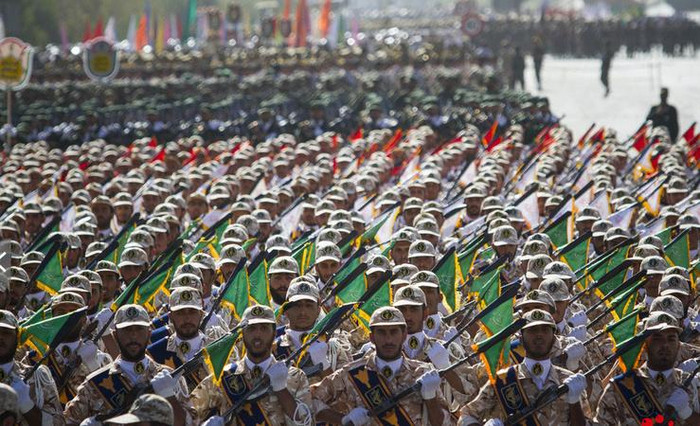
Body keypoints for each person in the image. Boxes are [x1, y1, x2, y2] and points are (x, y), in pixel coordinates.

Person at [311, 306, 450, 425]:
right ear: (372, 337)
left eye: (393, 332)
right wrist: (343, 419)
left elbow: (443, 423)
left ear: (404, 335)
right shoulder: (351, 373)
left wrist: (430, 397)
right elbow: (311, 400)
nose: (388, 340)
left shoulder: (422, 372)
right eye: (381, 332)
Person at [63, 304, 195, 425]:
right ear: (115, 335)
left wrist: (169, 396)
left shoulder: (169, 377)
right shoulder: (94, 383)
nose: (133, 336)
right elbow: (67, 422)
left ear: (149, 333)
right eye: (127, 330)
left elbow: (191, 423)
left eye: (139, 329)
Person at [458, 309, 588, 425]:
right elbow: (466, 415)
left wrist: (574, 402)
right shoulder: (503, 379)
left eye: (545, 330)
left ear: (554, 339)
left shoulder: (568, 380)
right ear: (520, 339)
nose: (539, 335)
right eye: (532, 330)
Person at [190, 305, 313, 425]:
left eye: (264, 328)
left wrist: (281, 390)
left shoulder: (295, 377)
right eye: (251, 328)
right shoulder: (223, 378)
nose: (257, 335)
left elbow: (308, 422)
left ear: (274, 333)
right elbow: (189, 416)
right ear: (242, 333)